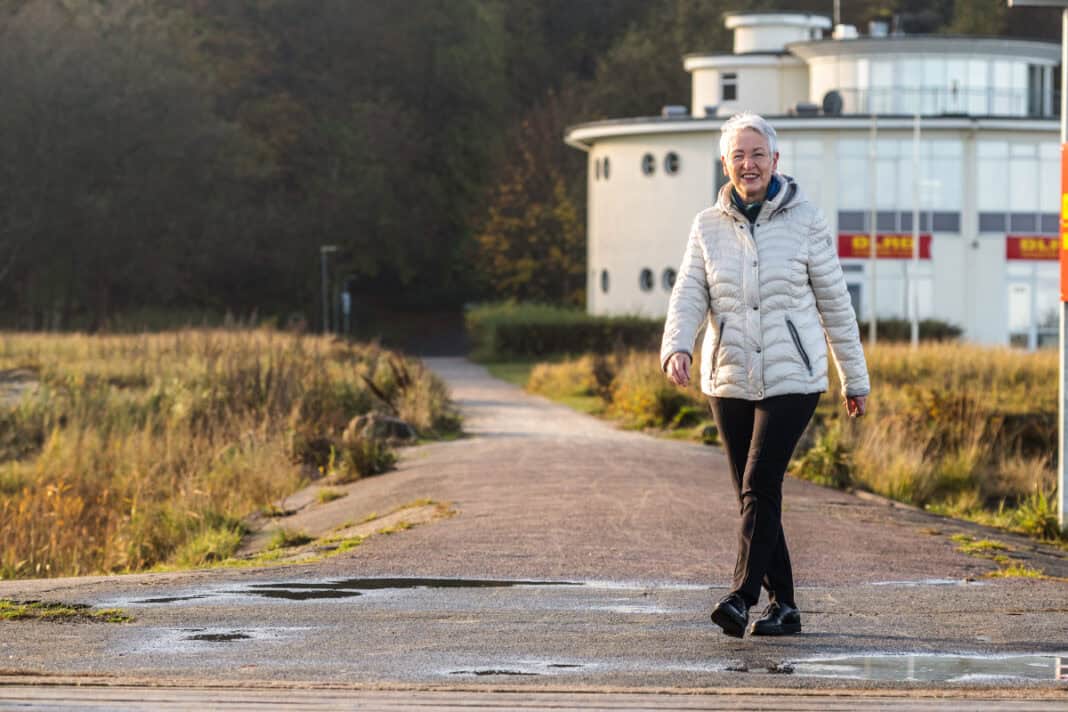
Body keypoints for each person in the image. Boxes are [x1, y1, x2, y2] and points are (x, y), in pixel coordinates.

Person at [660, 111, 870, 638]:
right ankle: (787, 608)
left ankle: (741, 597)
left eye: (757, 154)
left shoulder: (807, 220)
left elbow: (835, 304)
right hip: (728, 374)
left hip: (793, 377)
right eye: (738, 155)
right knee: (754, 496)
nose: (748, 164)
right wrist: (677, 347)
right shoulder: (707, 225)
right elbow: (689, 292)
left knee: (759, 483)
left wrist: (855, 378)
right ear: (725, 164)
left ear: (776, 160)